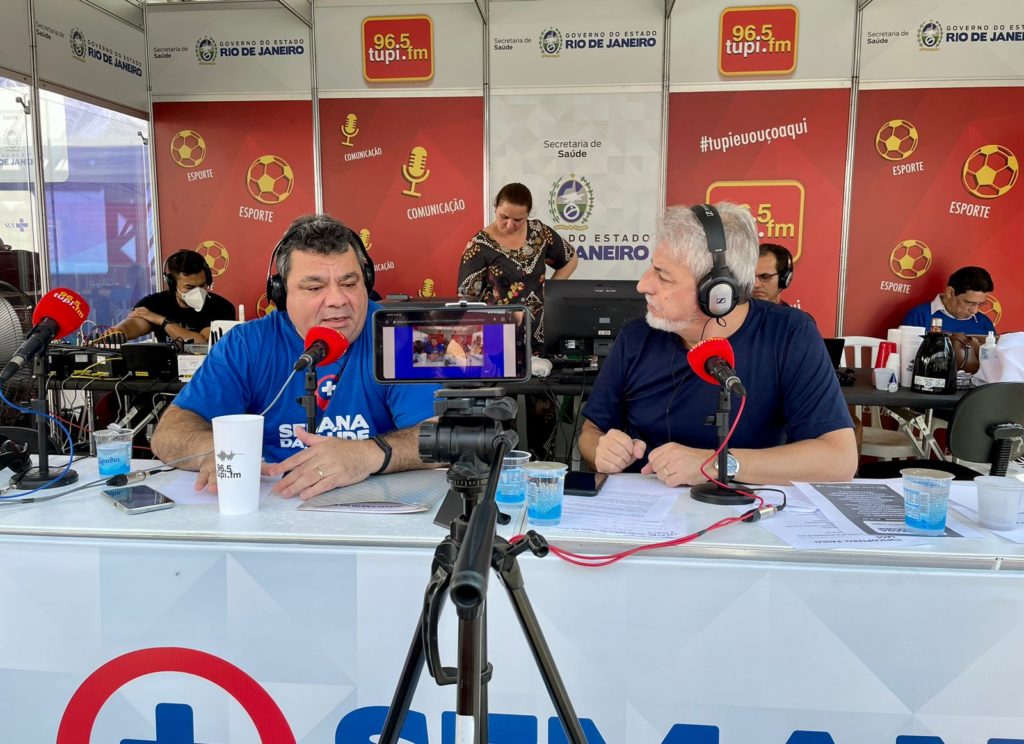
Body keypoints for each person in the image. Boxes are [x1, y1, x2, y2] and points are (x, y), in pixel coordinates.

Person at [151, 215, 440, 500]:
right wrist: (212, 449)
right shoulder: (245, 344)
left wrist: (367, 454)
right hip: (270, 506)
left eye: (349, 283)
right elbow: (168, 434)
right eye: (315, 288)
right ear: (281, 293)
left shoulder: (400, 336)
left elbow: (443, 437)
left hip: (375, 508)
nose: (338, 299)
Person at [578, 203, 858, 487]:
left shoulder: (790, 333)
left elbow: (840, 459)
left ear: (717, 293)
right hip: (646, 505)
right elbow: (591, 432)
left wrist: (716, 464)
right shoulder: (636, 336)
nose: (643, 285)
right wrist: (603, 449)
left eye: (663, 275)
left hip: (748, 507)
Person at [457, 182, 578, 348]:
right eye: (504, 217)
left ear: (528, 215)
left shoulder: (539, 232)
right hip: (498, 334)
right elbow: (467, 299)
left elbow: (570, 259)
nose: (510, 225)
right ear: (495, 208)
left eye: (518, 220)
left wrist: (549, 293)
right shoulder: (478, 246)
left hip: (540, 333)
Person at [103, 249, 235, 344]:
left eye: (202, 285)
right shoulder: (155, 303)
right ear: (172, 284)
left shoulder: (222, 307)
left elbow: (202, 342)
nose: (198, 292)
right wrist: (118, 332)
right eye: (189, 287)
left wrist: (162, 320)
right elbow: (135, 325)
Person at [902, 266, 996, 335]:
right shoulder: (919, 316)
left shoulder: (985, 323)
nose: (975, 311)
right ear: (950, 292)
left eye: (980, 304)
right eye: (969, 302)